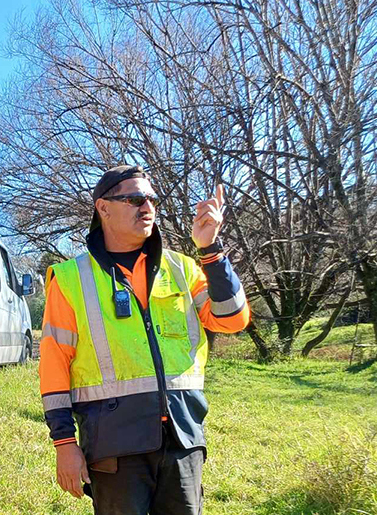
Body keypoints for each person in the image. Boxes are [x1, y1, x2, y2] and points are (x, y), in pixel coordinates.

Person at [39, 165, 251, 515]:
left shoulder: (183, 268)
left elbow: (232, 319)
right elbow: (54, 366)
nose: (148, 207)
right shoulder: (69, 278)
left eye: (152, 199)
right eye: (135, 199)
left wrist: (210, 248)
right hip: (114, 445)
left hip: (183, 437)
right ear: (103, 208)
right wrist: (64, 442)